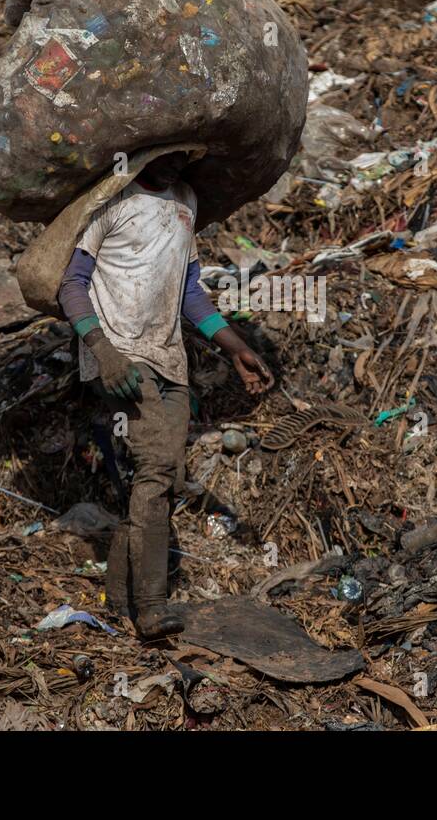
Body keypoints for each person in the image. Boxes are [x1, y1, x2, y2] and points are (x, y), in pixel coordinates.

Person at [57, 155, 274, 638]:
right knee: (155, 472)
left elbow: (189, 291)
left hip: (169, 357)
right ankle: (150, 607)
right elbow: (71, 284)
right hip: (119, 355)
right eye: (171, 155)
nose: (181, 165)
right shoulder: (110, 197)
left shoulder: (186, 201)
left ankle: (116, 599)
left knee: (165, 473)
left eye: (190, 157)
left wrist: (236, 347)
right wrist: (102, 351)